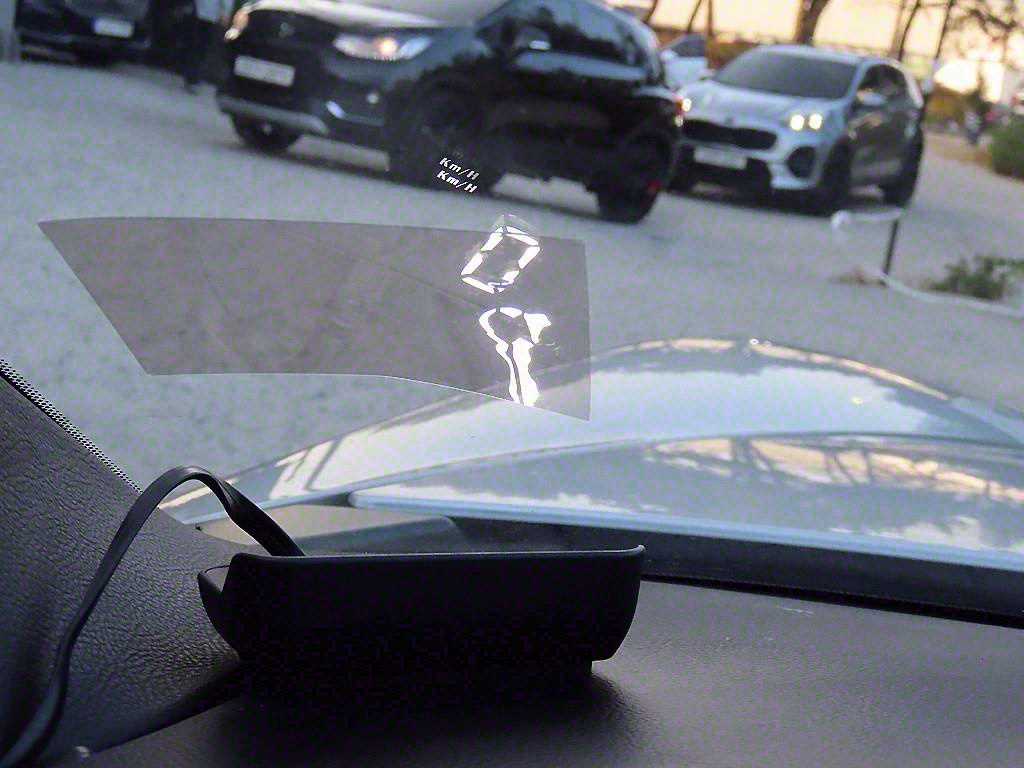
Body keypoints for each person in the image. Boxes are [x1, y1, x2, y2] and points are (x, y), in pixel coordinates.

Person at [181, 0, 226, 91]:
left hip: (201, 11)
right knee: (201, 47)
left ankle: (191, 76)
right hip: (209, 14)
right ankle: (193, 77)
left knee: (196, 45)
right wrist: (225, 13)